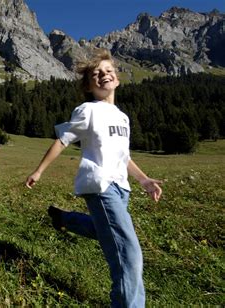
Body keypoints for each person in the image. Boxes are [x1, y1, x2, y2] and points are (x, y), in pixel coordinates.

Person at [25, 49, 162, 307]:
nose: (104, 75)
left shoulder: (123, 117)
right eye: (96, 74)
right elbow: (62, 140)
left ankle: (64, 218)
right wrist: (39, 170)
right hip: (100, 185)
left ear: (117, 79)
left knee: (106, 232)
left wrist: (143, 180)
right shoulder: (88, 110)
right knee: (129, 252)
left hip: (121, 187)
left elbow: (124, 156)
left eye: (109, 71)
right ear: (89, 85)